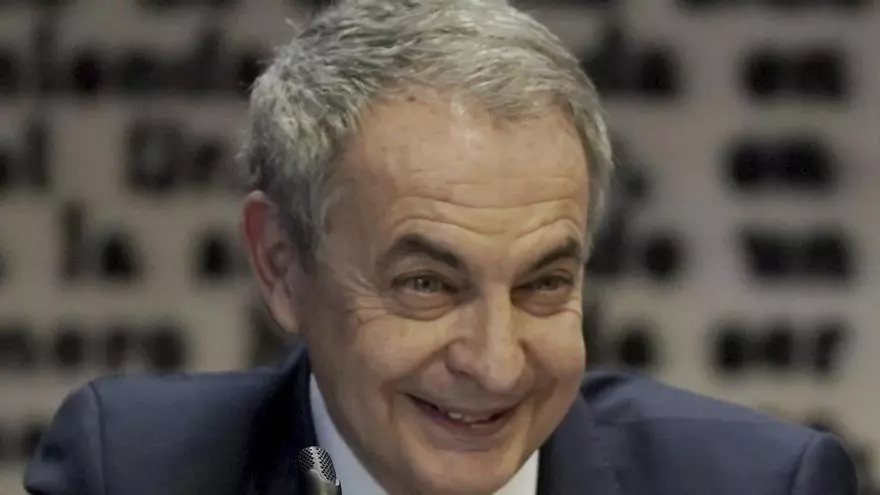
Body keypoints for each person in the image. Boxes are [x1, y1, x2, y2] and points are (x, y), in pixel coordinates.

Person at [25, 1, 857, 494]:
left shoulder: (762, 484)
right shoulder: (129, 470)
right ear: (281, 262)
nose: (495, 365)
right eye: (426, 283)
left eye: (544, 284)